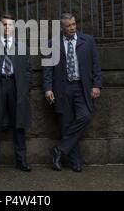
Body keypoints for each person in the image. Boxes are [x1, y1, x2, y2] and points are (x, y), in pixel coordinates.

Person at [42, 13, 102, 172]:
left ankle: (59, 149)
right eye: (68, 26)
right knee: (66, 124)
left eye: (74, 24)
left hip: (82, 87)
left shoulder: (88, 41)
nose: (73, 27)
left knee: (85, 116)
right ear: (62, 27)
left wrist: (97, 85)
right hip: (62, 89)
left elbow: (96, 64)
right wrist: (47, 88)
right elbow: (47, 69)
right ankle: (75, 162)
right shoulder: (52, 43)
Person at [0, 14, 33, 172]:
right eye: (4, 24)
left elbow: (29, 70)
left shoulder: (22, 47)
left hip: (16, 86)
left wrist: (25, 86)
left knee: (19, 124)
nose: (7, 27)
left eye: (10, 25)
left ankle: (22, 160)